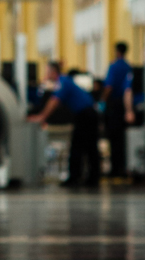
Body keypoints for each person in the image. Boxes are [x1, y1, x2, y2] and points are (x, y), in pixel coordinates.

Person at [28, 59, 101, 187]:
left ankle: (77, 178)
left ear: (53, 71)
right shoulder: (64, 81)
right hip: (86, 114)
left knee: (79, 146)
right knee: (87, 147)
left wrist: (42, 117)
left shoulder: (62, 82)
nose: (45, 75)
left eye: (47, 72)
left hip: (86, 115)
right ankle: (90, 178)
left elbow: (54, 101)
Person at [101, 41, 134, 181]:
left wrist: (102, 101)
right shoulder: (129, 66)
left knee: (114, 138)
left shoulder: (114, 66)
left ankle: (115, 169)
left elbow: (109, 86)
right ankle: (123, 167)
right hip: (126, 105)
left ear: (117, 51)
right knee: (123, 138)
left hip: (115, 105)